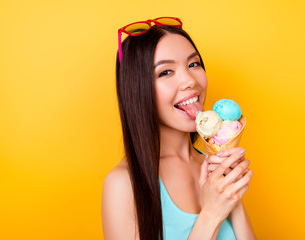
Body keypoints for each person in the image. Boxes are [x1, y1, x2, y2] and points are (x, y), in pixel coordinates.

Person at [102, 17, 256, 240]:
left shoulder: (214, 166)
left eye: (193, 64)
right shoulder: (123, 184)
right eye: (165, 72)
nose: (190, 81)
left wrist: (233, 197)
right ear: (137, 90)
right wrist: (211, 214)